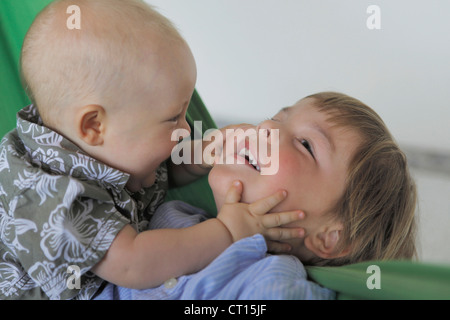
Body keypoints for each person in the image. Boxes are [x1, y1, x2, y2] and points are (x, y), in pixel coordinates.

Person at [0, 0, 304, 300]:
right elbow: (134, 262)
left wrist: (204, 153)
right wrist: (227, 232)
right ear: (94, 126)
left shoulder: (112, 143)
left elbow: (161, 170)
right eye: (173, 118)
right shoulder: (49, 196)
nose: (185, 129)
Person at [94, 92, 417, 299]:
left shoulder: (274, 279)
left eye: (306, 145)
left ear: (329, 238)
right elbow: (131, 174)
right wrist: (201, 153)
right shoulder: (174, 213)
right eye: (277, 117)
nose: (266, 127)